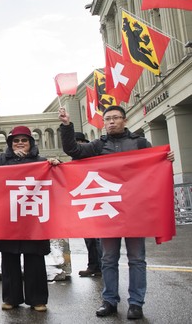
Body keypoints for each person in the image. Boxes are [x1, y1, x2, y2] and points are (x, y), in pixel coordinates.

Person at [58, 105, 174, 320]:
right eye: (107, 119)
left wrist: (165, 160)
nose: (111, 122)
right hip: (108, 211)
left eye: (115, 118)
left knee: (137, 259)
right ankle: (109, 300)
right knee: (109, 259)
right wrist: (66, 125)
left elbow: (153, 167)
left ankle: (136, 303)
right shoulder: (97, 145)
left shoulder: (140, 143)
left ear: (124, 120)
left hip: (135, 211)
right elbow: (73, 151)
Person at [0, 125, 60, 312]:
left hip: (33, 220)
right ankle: (11, 298)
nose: (20, 143)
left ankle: (37, 299)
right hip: (7, 219)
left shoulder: (41, 162)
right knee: (9, 261)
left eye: (24, 140)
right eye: (16, 141)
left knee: (35, 261)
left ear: (31, 143)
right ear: (10, 144)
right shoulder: (0, 161)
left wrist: (56, 165)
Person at [73, 132, 102, 278]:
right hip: (84, 204)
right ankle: (93, 266)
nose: (79, 144)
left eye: (81, 141)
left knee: (100, 240)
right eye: (76, 142)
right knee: (89, 239)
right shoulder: (72, 163)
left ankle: (102, 266)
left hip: (102, 204)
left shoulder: (98, 158)